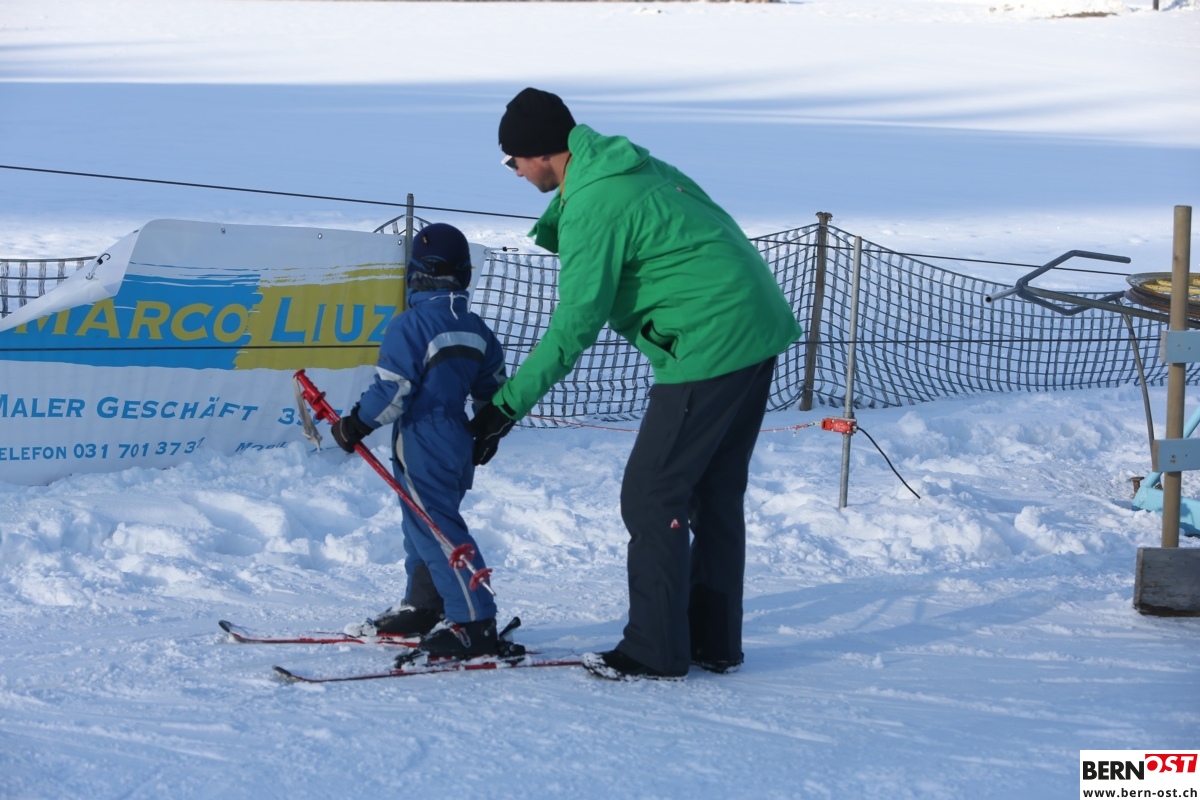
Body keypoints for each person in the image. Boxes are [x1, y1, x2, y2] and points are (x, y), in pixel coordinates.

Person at [470, 87, 802, 680]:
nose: (513, 171)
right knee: (715, 492)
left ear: (541, 152)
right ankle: (712, 641)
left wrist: (504, 409)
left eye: (512, 159)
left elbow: (575, 324)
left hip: (708, 343)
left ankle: (655, 648)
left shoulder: (595, 203)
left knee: (652, 495)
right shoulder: (632, 166)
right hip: (755, 326)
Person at [332, 222, 510, 661]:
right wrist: (487, 430)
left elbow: (393, 390)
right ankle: (425, 605)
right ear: (463, 274)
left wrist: (355, 425)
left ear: (415, 273)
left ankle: (474, 620)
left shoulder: (411, 324)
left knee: (436, 527)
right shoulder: (475, 326)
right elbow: (493, 386)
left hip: (424, 434)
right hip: (457, 435)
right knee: (422, 525)